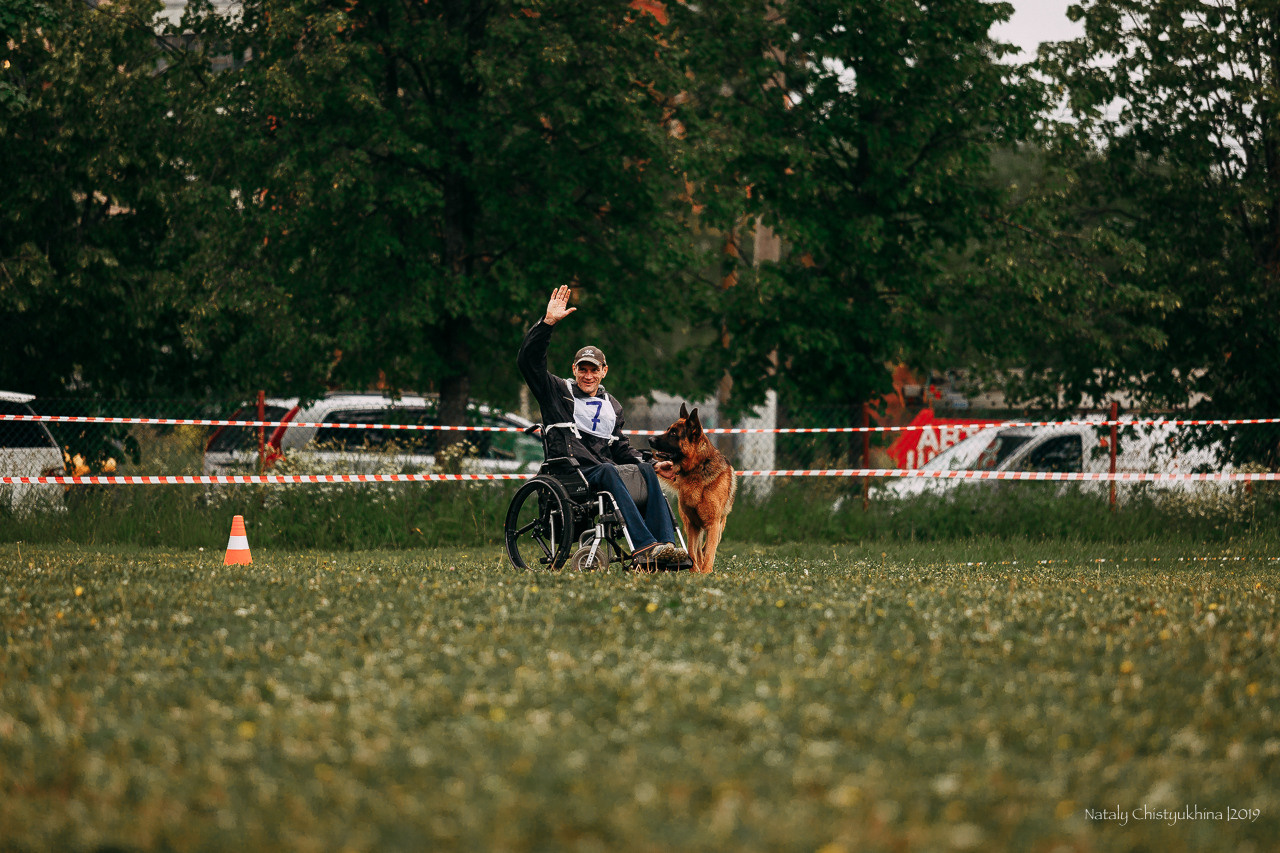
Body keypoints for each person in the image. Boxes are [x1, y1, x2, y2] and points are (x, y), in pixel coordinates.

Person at [518, 285, 679, 564]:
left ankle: (667, 546)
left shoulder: (611, 405)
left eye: (594, 370)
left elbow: (620, 449)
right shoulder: (556, 391)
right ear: (574, 369)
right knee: (608, 470)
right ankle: (644, 546)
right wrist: (547, 324)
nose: (588, 375)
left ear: (604, 371)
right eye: (583, 369)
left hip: (604, 470)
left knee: (643, 470)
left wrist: (653, 463)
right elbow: (528, 362)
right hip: (573, 470)